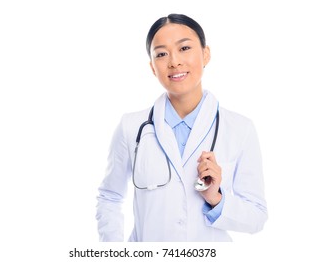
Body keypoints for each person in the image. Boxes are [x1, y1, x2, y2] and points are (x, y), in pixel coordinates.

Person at [96, 13, 267, 242]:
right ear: (152, 67)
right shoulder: (131, 127)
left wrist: (216, 197)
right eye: (161, 54)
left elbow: (256, 216)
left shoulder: (240, 129)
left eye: (184, 48)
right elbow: (110, 197)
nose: (174, 61)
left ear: (206, 54)